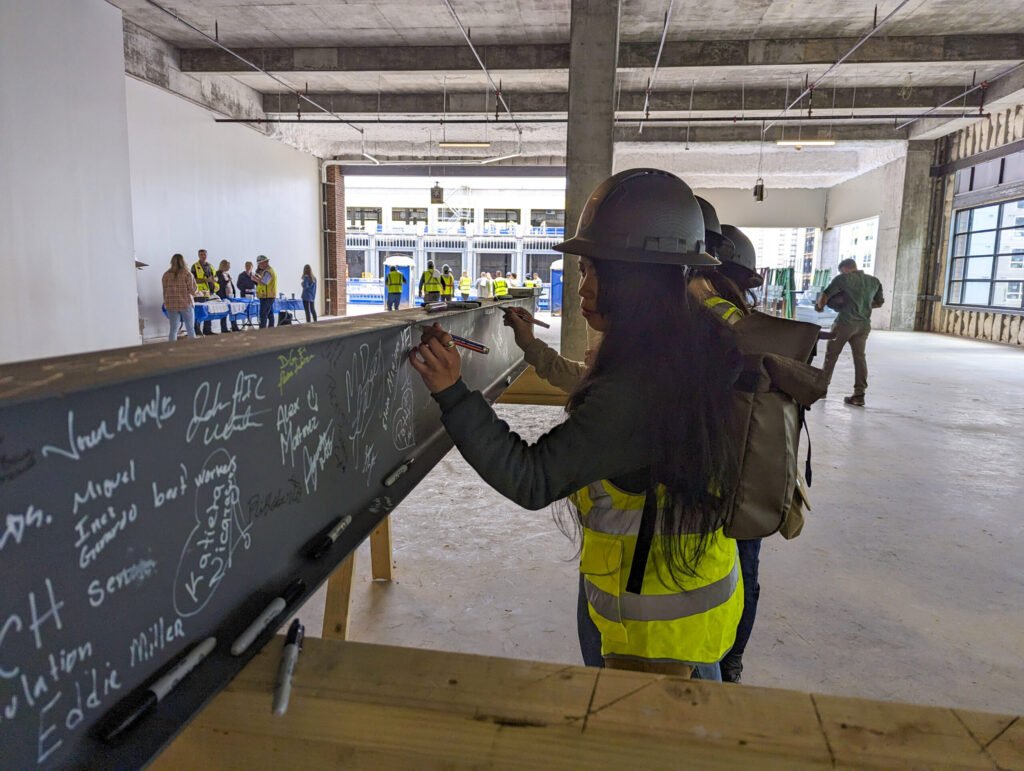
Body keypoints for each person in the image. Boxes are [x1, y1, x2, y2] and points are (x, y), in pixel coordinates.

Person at [409, 169, 743, 677]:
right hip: (695, 605)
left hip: (654, 637)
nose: (581, 286)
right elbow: (596, 398)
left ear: (632, 276)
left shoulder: (638, 384)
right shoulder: (689, 346)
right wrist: (530, 347)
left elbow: (532, 477)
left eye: (590, 269)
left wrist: (453, 392)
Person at [687, 209, 765, 685]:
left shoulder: (722, 316)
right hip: (745, 470)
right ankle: (727, 662)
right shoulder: (730, 313)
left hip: (724, 466)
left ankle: (720, 664)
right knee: (742, 571)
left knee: (726, 570)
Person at [815, 257, 884, 406]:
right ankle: (859, 395)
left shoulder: (843, 279)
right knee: (860, 358)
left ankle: (821, 390)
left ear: (845, 269)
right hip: (863, 325)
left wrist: (819, 306)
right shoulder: (874, 281)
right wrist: (861, 306)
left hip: (845, 323)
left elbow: (825, 296)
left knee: (831, 356)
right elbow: (879, 303)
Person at [162, 253, 198, 342]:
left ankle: (172, 348)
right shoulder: (187, 274)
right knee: (190, 329)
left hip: (171, 305)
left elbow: (164, 290)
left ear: (172, 262)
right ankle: (194, 348)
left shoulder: (166, 274)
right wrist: (200, 293)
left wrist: (166, 302)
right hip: (186, 304)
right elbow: (193, 290)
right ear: (183, 261)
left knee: (173, 329)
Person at [191, 249, 218, 336]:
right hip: (200, 294)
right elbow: (193, 280)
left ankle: (207, 329)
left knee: (208, 311)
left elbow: (216, 277)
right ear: (198, 256)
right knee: (199, 312)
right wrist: (206, 280)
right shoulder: (195, 266)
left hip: (210, 292)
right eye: (201, 254)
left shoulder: (211, 266)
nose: (203, 256)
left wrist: (214, 280)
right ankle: (197, 330)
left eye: (204, 254)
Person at [215, 259, 240, 333]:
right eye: (228, 266)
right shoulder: (218, 273)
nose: (229, 268)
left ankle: (234, 326)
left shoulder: (227, 274)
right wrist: (227, 281)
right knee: (224, 313)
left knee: (233, 311)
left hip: (230, 295)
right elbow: (220, 284)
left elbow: (230, 285)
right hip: (223, 295)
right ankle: (224, 328)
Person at [255, 254, 277, 328]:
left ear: (264, 263)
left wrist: (254, 279)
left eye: (259, 263)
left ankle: (262, 331)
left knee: (263, 314)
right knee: (270, 315)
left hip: (267, 297)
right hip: (268, 296)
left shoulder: (268, 272)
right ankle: (270, 330)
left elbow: (264, 283)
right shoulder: (268, 271)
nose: (259, 265)